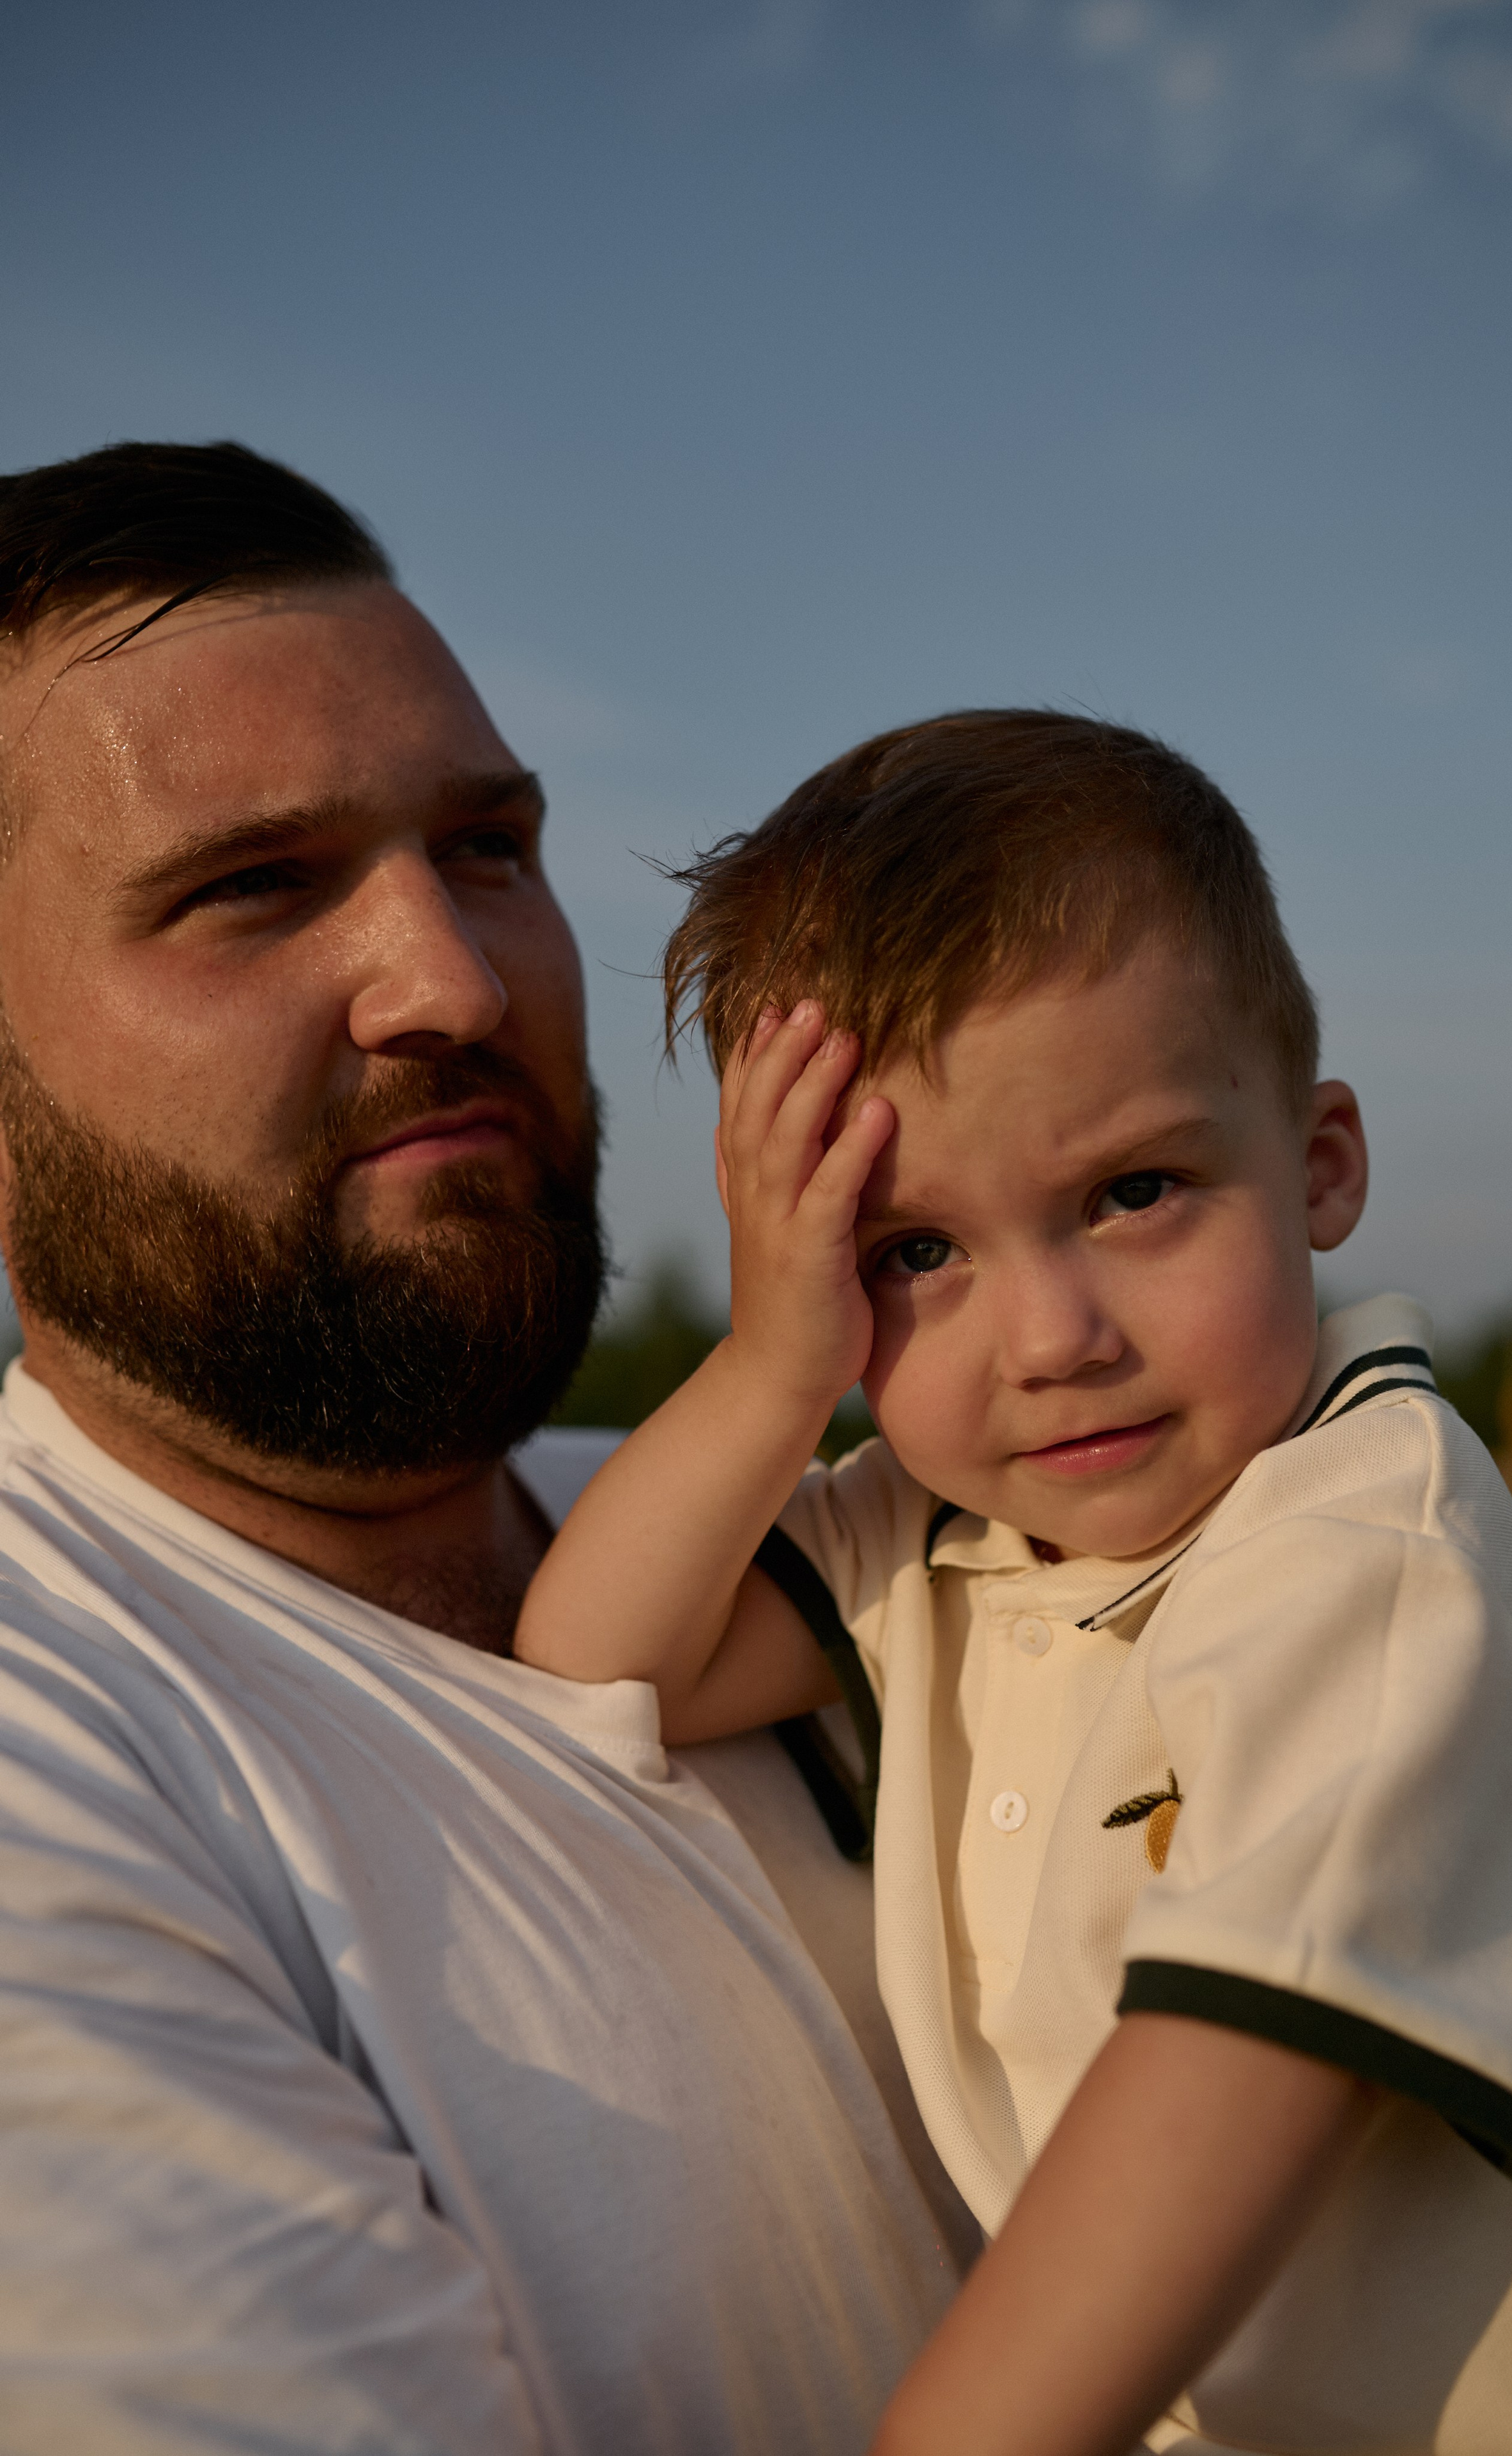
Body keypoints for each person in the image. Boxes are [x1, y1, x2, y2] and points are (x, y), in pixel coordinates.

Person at [0, 440, 977, 2456]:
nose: (453, 978)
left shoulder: (826, 1507)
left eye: (488, 845)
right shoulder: (53, 1757)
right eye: (250, 887)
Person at [518, 711, 1512, 2456]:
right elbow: (599, 1663)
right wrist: (767, 1369)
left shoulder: (1365, 1538)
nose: (1055, 1339)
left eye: (1134, 1190)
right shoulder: (931, 1529)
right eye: (917, 1253)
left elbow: (1224, 2082)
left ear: (1320, 1163)